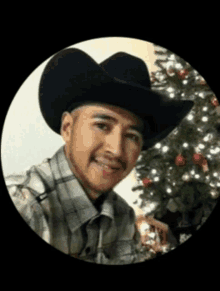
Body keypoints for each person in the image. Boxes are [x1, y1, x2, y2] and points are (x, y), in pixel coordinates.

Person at [4, 48, 194, 265]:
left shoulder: (123, 217)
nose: (116, 150)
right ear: (67, 128)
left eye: (132, 136)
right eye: (102, 125)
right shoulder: (25, 208)